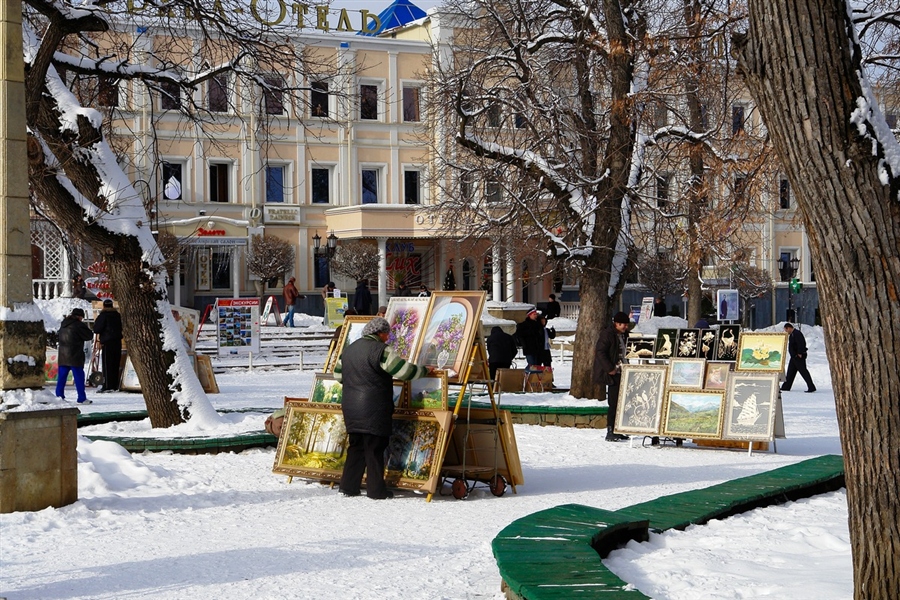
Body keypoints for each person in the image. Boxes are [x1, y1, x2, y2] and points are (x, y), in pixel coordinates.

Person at [334, 317, 435, 499]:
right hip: (374, 406)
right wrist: (425, 370)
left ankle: (348, 486)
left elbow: (338, 376)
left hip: (351, 406)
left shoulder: (348, 350)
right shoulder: (381, 350)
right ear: (379, 333)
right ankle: (376, 491)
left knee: (356, 446)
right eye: (387, 334)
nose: (388, 337)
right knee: (375, 448)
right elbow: (404, 371)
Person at [594, 311, 631, 442]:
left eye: (626, 324)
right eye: (623, 324)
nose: (625, 327)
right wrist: (610, 368)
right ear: (616, 324)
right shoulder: (607, 334)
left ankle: (618, 429)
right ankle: (610, 430)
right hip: (614, 373)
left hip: (624, 371)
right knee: (614, 402)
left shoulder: (625, 335)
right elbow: (600, 352)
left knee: (622, 402)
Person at [55, 307, 94, 404]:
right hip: (74, 355)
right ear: (79, 317)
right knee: (79, 378)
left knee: (61, 378)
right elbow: (89, 336)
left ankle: (59, 396)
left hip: (63, 355)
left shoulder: (64, 324)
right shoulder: (78, 325)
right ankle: (82, 398)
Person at [92, 298, 123, 392]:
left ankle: (107, 385)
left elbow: (97, 329)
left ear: (104, 306)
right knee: (115, 363)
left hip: (107, 342)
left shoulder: (103, 316)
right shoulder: (118, 315)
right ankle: (114, 384)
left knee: (107, 364)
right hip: (117, 341)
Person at [781, 322, 816, 393]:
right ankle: (786, 387)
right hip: (794, 356)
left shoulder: (797, 334)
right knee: (790, 372)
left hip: (798, 356)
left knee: (803, 372)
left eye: (786, 330)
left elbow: (801, 343)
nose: (786, 332)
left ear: (789, 328)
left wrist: (800, 353)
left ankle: (811, 386)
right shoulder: (792, 334)